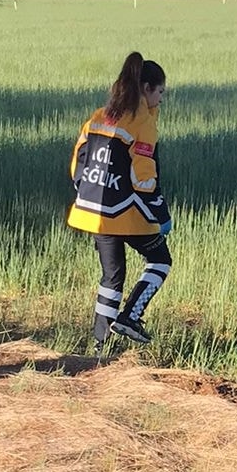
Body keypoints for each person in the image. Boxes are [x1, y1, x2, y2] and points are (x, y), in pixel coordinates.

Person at [67, 52, 173, 355]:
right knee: (161, 260)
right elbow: (143, 179)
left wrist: (87, 191)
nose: (161, 99)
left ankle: (100, 348)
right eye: (160, 92)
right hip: (126, 213)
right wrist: (162, 214)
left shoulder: (99, 116)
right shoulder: (142, 123)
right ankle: (130, 317)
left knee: (111, 277)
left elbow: (78, 162)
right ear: (147, 88)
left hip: (95, 213)